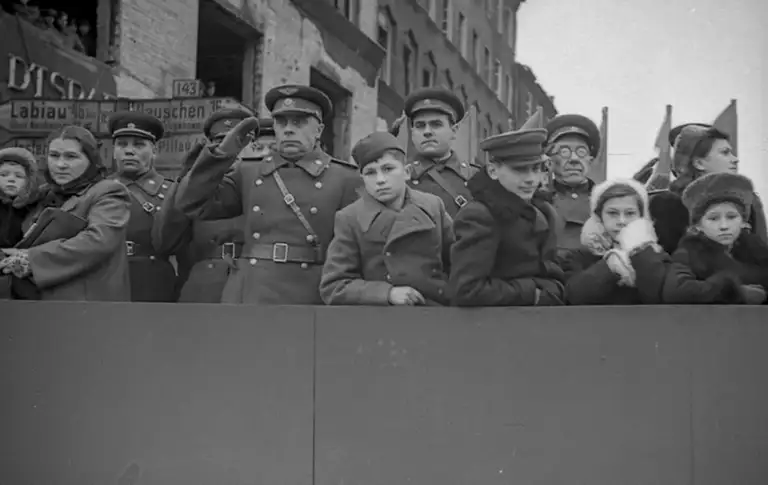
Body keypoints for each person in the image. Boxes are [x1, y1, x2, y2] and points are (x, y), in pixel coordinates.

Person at [175, 84, 362, 304]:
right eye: (281, 122)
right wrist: (222, 155)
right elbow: (191, 203)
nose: (289, 129)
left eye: (299, 122)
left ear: (319, 130)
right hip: (253, 290)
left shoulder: (345, 178)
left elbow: (358, 249)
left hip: (311, 292)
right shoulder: (248, 171)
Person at [152, 108, 276, 303]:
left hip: (254, 285)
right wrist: (184, 181)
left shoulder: (266, 182)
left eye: (238, 141)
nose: (230, 150)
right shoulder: (196, 189)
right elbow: (165, 242)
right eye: (220, 142)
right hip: (203, 288)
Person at [320, 131, 454, 306]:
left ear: (406, 172)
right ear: (362, 179)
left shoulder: (432, 206)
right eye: (370, 173)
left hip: (436, 313)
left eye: (388, 169)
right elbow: (334, 286)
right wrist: (387, 293)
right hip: (381, 319)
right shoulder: (350, 218)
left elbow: (458, 262)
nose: (380, 180)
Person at [0, 126, 130, 301]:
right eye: (54, 156)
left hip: (87, 306)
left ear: (90, 159)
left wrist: (31, 260)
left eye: (71, 156)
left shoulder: (109, 192)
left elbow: (99, 240)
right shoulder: (39, 195)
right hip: (35, 305)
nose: (60, 164)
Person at [448, 128, 565, 306]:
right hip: (493, 326)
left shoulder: (543, 211)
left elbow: (551, 272)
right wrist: (531, 293)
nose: (531, 179)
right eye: (520, 170)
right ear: (493, 171)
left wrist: (553, 290)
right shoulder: (479, 215)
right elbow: (467, 290)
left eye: (536, 168)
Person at [650, 125, 767, 254]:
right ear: (699, 163)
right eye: (725, 152)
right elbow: (668, 256)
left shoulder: (749, 199)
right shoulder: (669, 205)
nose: (735, 159)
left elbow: (761, 250)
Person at [108, 111, 182, 302]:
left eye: (139, 145)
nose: (129, 151)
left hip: (153, 284)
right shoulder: (98, 189)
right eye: (122, 144)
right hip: (106, 277)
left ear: (155, 150)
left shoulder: (171, 191)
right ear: (113, 149)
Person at [663, 172, 768, 304]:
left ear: (743, 221)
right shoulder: (690, 253)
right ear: (698, 226)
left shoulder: (757, 252)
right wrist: (734, 292)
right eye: (713, 218)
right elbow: (676, 291)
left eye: (731, 217)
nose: (724, 226)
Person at [560, 178, 669, 305]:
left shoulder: (657, 254)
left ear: (641, 217)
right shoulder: (580, 257)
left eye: (630, 213)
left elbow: (660, 295)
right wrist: (609, 267)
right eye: (612, 213)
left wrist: (641, 254)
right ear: (599, 217)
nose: (622, 221)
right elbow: (573, 296)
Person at [403, 87, 480, 217]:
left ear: (454, 130)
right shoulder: (400, 175)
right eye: (420, 126)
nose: (427, 132)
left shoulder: (476, 178)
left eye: (436, 124)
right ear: (412, 133)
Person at [540, 113, 602, 253]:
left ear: (590, 160)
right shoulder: (537, 199)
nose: (574, 159)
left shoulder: (604, 201)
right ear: (549, 161)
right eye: (564, 151)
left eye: (581, 151)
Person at [0, 148, 39, 248]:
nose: (11, 179)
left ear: (28, 181)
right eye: (4, 175)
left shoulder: (35, 206)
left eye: (19, 176)